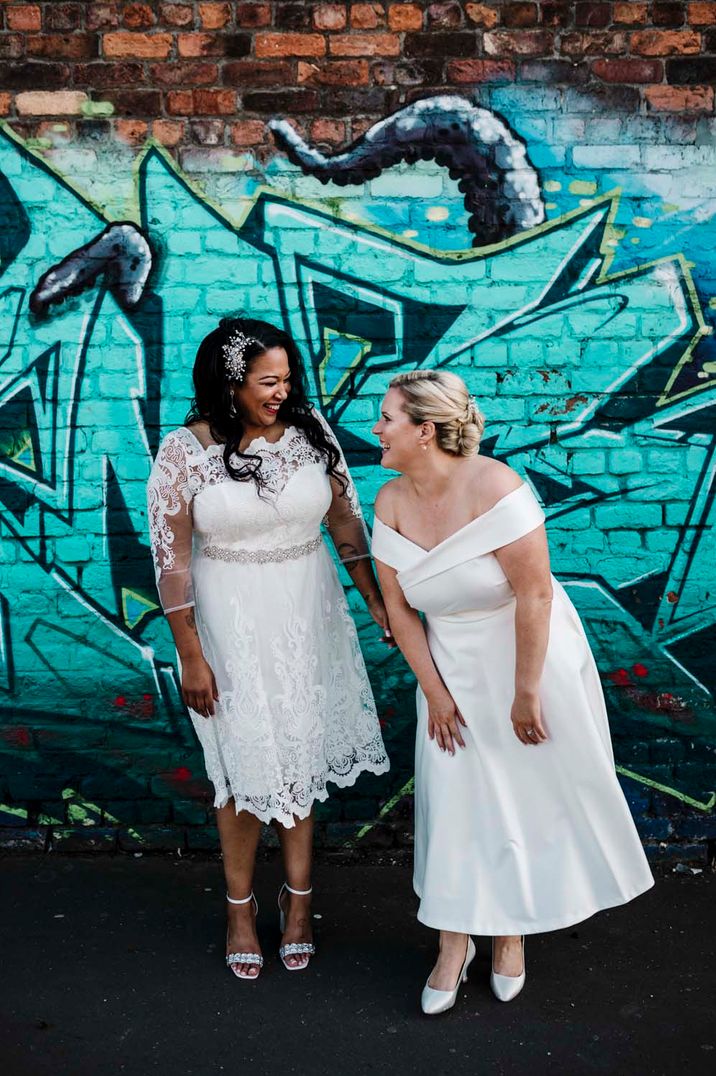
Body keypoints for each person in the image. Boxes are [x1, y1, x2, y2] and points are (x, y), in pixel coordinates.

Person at [370, 369, 653, 1014]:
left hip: (526, 655)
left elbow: (535, 592)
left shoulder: (498, 485)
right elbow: (399, 607)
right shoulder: (388, 500)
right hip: (446, 665)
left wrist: (526, 693)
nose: (377, 430)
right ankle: (452, 941)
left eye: (388, 418)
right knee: (454, 802)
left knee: (520, 797)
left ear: (426, 429)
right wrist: (435, 694)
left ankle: (509, 934)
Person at [147, 317, 390, 980]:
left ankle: (301, 905)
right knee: (242, 767)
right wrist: (190, 654)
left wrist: (372, 596)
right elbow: (170, 563)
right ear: (230, 383)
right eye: (267, 381)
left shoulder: (312, 435)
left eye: (286, 379)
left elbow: (345, 519)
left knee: (302, 755)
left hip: (308, 613)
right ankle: (239, 910)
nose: (282, 392)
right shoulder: (184, 450)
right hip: (229, 624)